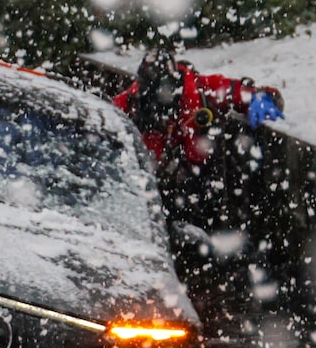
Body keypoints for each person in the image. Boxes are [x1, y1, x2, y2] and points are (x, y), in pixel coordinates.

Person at [112, 48, 285, 228]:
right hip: (147, 195)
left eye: (163, 94)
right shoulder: (128, 104)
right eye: (150, 96)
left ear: (176, 85)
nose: (157, 106)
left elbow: (237, 92)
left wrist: (263, 97)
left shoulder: (202, 91)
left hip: (199, 192)